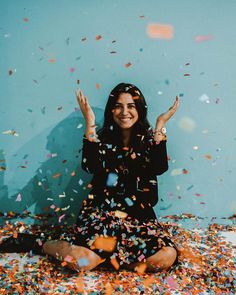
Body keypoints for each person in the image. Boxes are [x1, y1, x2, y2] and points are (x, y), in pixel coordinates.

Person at [0, 83, 180, 273]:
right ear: (111, 110)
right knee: (81, 262)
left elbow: (159, 167)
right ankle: (39, 243)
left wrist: (160, 125)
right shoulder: (102, 140)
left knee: (166, 257)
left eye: (131, 106)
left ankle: (110, 259)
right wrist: (90, 123)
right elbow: (90, 165)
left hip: (139, 220)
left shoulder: (150, 142)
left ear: (140, 109)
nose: (124, 111)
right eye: (118, 106)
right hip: (102, 218)